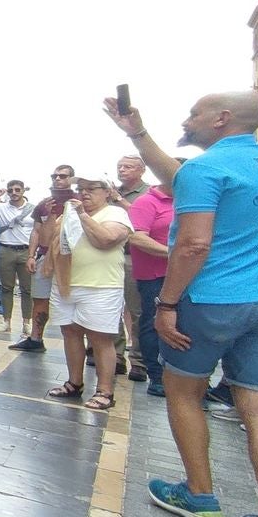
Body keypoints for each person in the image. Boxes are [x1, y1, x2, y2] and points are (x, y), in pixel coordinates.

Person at [117, 90, 258, 517]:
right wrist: (138, 134)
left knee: (185, 393)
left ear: (221, 119)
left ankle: (200, 496)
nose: (188, 119)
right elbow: (182, 178)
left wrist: (166, 305)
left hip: (207, 301)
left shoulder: (206, 169)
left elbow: (193, 246)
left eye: (195, 113)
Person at [43, 175, 132, 410]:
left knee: (100, 339)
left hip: (100, 287)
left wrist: (82, 215)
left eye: (91, 188)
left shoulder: (115, 214)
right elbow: (47, 240)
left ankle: (105, 391)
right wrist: (50, 216)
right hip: (65, 285)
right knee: (70, 332)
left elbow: (107, 239)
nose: (84, 193)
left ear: (107, 191)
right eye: (80, 188)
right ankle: (74, 382)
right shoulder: (67, 213)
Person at [127, 167, 182, 397]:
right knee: (153, 321)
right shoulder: (147, 202)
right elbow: (137, 237)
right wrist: (177, 254)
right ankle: (157, 376)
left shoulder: (190, 200)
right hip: (155, 276)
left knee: (185, 325)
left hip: (187, 274)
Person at [13, 165, 77, 353]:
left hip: (70, 257)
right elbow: (36, 231)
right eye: (54, 176)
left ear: (71, 179)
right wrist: (31, 255)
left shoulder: (79, 201)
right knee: (40, 298)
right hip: (44, 254)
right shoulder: (44, 203)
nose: (57, 179)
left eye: (62, 176)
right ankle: (35, 338)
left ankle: (86, 344)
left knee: (73, 299)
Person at [0, 181, 35, 338]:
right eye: (11, 190)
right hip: (6, 250)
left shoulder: (33, 209)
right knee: (6, 287)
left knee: (27, 289)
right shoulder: (0, 208)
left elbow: (38, 230)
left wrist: (33, 253)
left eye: (17, 189)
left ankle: (26, 323)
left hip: (25, 250)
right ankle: (7, 321)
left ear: (23, 190)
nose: (14, 192)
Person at [111, 155, 150, 380]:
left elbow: (141, 218)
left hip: (134, 257)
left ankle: (138, 361)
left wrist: (119, 200)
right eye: (120, 166)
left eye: (127, 167)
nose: (122, 170)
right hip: (110, 255)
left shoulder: (148, 193)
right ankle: (115, 355)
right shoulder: (111, 193)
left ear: (141, 170)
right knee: (112, 307)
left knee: (137, 311)